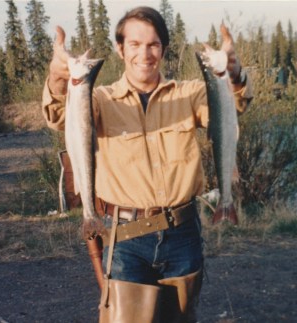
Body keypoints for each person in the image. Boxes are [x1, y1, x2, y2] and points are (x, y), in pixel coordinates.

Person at [42, 6, 252, 322]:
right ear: (120, 49)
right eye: (135, 44)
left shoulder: (192, 93)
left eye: (153, 44)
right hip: (125, 240)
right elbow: (58, 116)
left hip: (183, 234)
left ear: (164, 49)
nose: (145, 53)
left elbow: (233, 106)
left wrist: (234, 76)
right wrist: (59, 76)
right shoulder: (97, 99)